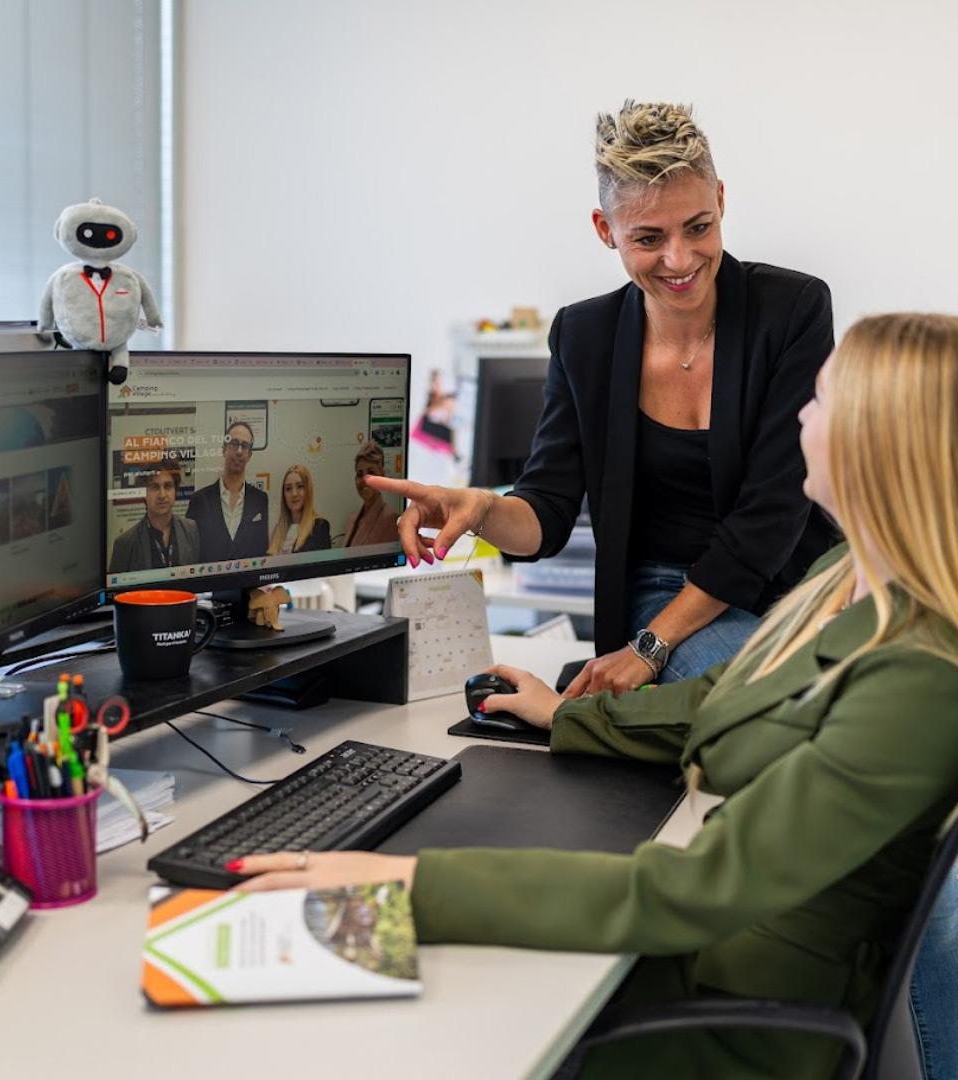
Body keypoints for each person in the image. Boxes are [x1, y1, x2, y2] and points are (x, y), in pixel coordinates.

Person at [234, 314, 958, 1080]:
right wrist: (568, 715)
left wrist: (412, 885)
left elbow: (696, 889)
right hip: (695, 957)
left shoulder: (918, 676)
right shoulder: (847, 577)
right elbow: (722, 695)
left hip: (729, 1020)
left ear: (879, 440)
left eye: (822, 397)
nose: (802, 414)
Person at [367, 101, 836, 694]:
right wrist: (482, 508)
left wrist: (648, 651)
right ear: (604, 229)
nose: (680, 259)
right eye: (648, 237)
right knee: (777, 704)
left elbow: (773, 509)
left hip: (794, 580)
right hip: (668, 592)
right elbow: (549, 513)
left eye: (698, 226)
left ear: (721, 199)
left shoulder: (792, 310)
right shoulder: (583, 336)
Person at [186, 420, 269, 562]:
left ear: (249, 455)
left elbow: (261, 549)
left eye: (244, 446)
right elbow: (190, 553)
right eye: (234, 444)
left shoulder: (260, 500)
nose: (239, 451)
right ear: (224, 449)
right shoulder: (199, 500)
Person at [108, 457, 200, 573]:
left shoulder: (191, 530)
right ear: (143, 493)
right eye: (154, 487)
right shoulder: (125, 543)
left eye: (168, 486)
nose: (162, 495)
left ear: (175, 490)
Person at [343, 442, 399, 547]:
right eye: (359, 474)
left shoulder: (391, 520)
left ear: (382, 477)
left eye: (371, 473)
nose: (364, 480)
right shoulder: (352, 520)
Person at [267, 464, 330, 555]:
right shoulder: (278, 530)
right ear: (284, 495)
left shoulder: (320, 527)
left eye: (300, 486)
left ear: (308, 490)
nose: (294, 494)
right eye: (288, 489)